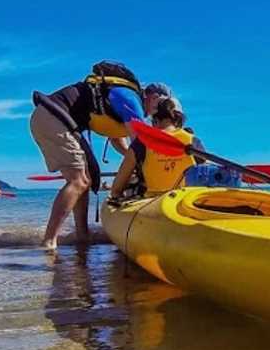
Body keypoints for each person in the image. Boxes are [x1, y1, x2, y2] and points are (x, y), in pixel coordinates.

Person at [29, 61, 172, 249]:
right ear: (153, 97)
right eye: (161, 105)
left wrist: (129, 160)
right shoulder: (131, 99)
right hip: (54, 117)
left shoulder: (124, 99)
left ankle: (82, 236)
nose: (158, 112)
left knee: (85, 179)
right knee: (78, 181)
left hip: (53, 118)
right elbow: (140, 145)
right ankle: (49, 241)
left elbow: (117, 140)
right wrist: (142, 170)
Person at [109, 96, 202, 200]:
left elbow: (116, 189)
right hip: (184, 202)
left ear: (155, 121)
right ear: (178, 120)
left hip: (152, 204)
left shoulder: (141, 142)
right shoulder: (192, 141)